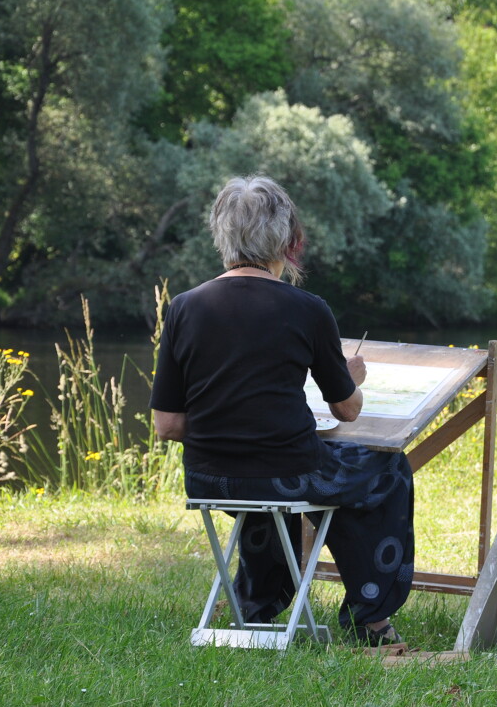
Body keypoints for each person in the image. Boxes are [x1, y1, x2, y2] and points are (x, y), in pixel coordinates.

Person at [150, 174, 413, 646]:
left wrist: (231, 421)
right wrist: (352, 376)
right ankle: (371, 619)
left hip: (209, 478)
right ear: (286, 240)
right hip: (286, 472)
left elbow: (168, 425)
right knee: (387, 469)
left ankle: (260, 604)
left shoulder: (184, 308)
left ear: (221, 234)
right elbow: (347, 410)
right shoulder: (307, 308)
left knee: (269, 490)